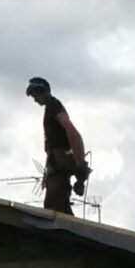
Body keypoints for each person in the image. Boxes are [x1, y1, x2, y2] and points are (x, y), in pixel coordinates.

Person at [25, 76, 88, 215]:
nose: (35, 99)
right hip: (55, 166)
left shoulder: (54, 106)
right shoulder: (50, 108)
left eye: (36, 95)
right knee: (54, 206)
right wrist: (48, 172)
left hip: (60, 168)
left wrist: (80, 163)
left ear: (44, 92)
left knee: (56, 210)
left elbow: (72, 132)